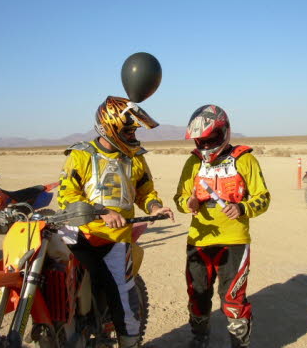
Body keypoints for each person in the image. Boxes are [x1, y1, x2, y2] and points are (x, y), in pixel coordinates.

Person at [57, 96, 174, 348]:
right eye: (127, 131)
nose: (132, 136)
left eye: (133, 131)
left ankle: (128, 341)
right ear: (109, 128)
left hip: (117, 239)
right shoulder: (81, 155)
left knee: (124, 300)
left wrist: (154, 206)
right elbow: (67, 195)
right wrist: (100, 212)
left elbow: (145, 191)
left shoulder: (135, 157)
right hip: (80, 234)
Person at [173, 105, 270, 348]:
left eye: (210, 139)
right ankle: (199, 339)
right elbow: (179, 197)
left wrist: (242, 208)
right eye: (200, 141)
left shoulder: (245, 159)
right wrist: (189, 202)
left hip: (234, 240)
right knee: (198, 295)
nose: (205, 145)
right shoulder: (192, 163)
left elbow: (263, 197)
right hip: (199, 239)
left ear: (224, 132)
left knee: (233, 299)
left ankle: (239, 344)